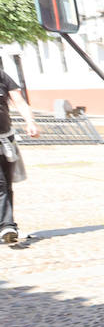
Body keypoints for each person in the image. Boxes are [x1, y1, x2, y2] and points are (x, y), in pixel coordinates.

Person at [1, 65, 40, 244]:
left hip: (4, 139)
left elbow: (19, 102)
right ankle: (6, 224)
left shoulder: (2, 77)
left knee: (4, 184)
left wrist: (30, 122)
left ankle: (7, 226)